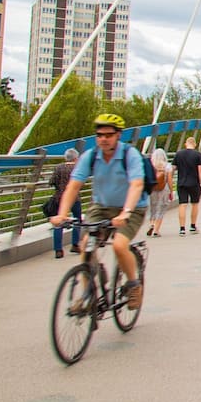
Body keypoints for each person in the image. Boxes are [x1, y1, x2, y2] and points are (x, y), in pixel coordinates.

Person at [50, 114, 147, 310]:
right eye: (99, 135)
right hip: (101, 207)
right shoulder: (91, 156)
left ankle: (133, 284)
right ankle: (88, 297)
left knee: (119, 245)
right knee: (86, 245)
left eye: (108, 135)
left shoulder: (130, 155)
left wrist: (126, 212)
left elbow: (137, 184)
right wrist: (62, 214)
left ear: (118, 135)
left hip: (132, 207)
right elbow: (73, 186)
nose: (103, 139)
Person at [50, 148, 83, 258]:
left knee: (59, 223)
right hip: (75, 198)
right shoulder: (77, 168)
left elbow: (51, 181)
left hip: (59, 197)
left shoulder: (58, 167)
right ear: (76, 158)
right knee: (77, 220)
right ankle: (75, 244)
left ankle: (58, 250)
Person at [173, 136, 201, 235]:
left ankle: (182, 228)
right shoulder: (198, 155)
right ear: (195, 144)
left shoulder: (178, 154)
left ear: (185, 143)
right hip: (194, 183)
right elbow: (200, 171)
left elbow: (173, 168)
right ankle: (192, 226)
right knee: (195, 204)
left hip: (181, 183)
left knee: (182, 204)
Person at [145, 148, 173, 237]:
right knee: (161, 208)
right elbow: (169, 180)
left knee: (153, 207)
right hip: (164, 188)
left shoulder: (151, 165)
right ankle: (156, 230)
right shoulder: (167, 166)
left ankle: (152, 224)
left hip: (153, 188)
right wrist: (171, 191)